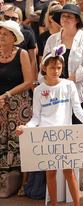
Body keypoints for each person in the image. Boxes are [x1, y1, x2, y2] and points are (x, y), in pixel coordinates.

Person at [17, 47, 83, 206]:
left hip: (65, 136)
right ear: (44, 68)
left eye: (59, 67)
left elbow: (77, 109)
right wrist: (26, 128)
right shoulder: (39, 90)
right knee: (50, 173)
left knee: (69, 173)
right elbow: (36, 117)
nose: (55, 71)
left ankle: (77, 204)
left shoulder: (69, 85)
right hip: (47, 137)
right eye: (52, 67)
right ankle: (53, 203)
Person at [44, 3, 83, 189]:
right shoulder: (52, 39)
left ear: (77, 20)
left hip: (80, 93)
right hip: (56, 96)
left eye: (69, 16)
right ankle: (66, 176)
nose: (65, 19)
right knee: (63, 134)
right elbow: (45, 63)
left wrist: (67, 80)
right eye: (63, 16)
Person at [0, 20, 33, 178]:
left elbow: (29, 81)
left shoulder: (22, 54)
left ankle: (22, 181)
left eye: (5, 34)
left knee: (19, 143)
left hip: (19, 105)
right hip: (0, 105)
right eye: (0, 34)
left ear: (14, 37)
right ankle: (4, 180)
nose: (1, 37)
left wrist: (7, 95)